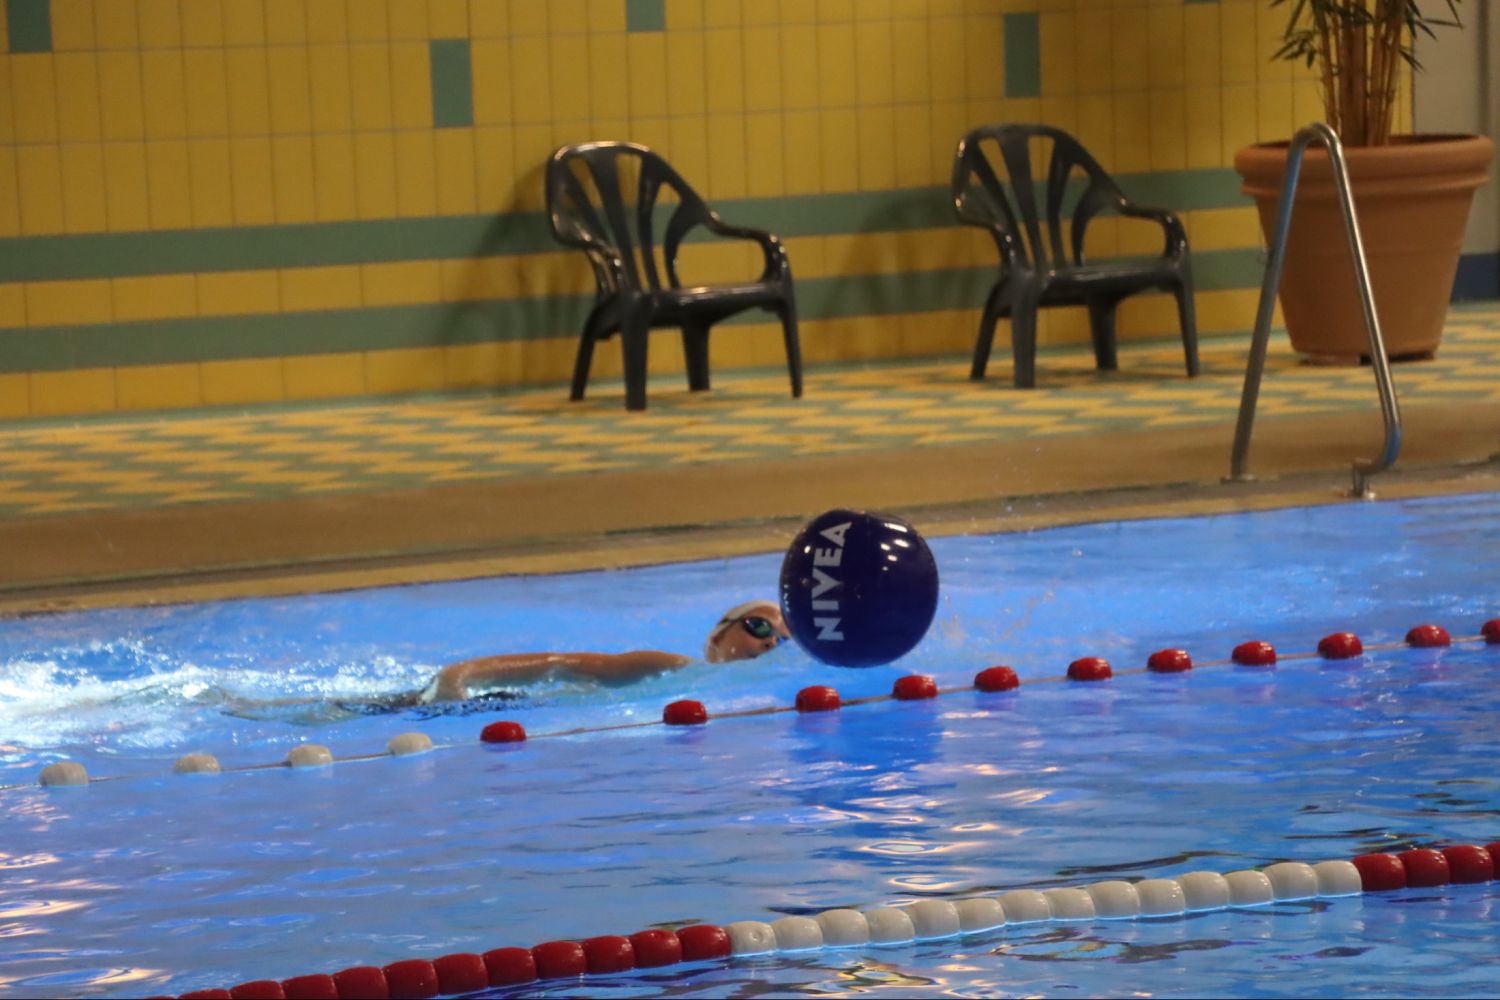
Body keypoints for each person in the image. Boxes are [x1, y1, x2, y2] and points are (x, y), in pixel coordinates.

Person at [413, 598, 790, 704]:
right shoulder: (672, 667)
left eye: (782, 639)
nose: (771, 641)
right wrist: (458, 676)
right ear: (716, 638)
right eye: (759, 626)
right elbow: (559, 665)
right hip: (504, 705)